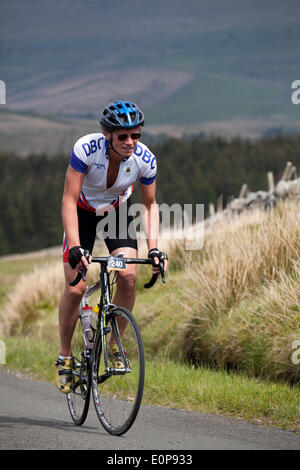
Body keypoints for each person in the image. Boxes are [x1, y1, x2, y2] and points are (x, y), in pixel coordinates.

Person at [55, 100, 168, 393]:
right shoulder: (86, 150)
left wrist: (153, 249)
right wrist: (77, 247)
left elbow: (150, 205)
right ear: (108, 135)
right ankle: (65, 356)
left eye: (136, 135)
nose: (130, 142)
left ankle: (114, 342)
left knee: (129, 277)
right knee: (76, 287)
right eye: (123, 136)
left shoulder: (145, 159)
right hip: (81, 213)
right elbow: (68, 199)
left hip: (116, 214)